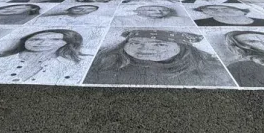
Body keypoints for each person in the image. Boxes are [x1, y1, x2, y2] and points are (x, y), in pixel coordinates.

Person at [83, 29, 234, 86]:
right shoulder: (104, 64)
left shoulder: (209, 73)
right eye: (136, 43)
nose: (146, 49)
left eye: (160, 45)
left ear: (182, 49)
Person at [192, 5, 264, 27]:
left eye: (225, 9)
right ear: (206, 13)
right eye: (213, 10)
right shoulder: (198, 23)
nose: (220, 10)